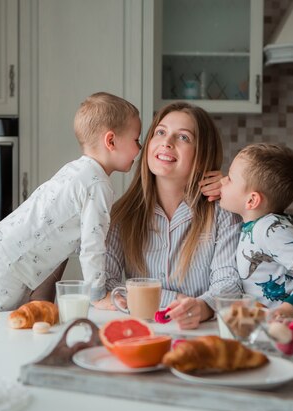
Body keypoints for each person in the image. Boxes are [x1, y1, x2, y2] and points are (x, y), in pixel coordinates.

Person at [0, 92, 142, 314]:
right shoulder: (97, 185)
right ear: (110, 141)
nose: (139, 149)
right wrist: (97, 295)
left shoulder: (77, 169)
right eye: (136, 140)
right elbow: (92, 246)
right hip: (11, 262)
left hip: (5, 252)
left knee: (5, 324)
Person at [96, 102, 242, 330]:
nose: (167, 142)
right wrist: (173, 301)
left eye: (183, 137)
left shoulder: (223, 213)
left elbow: (228, 283)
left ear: (203, 154)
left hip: (201, 333)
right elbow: (106, 283)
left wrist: (202, 308)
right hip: (141, 331)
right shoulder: (121, 215)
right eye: (160, 132)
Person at [219, 143, 293, 318]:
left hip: (282, 334)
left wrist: (288, 310)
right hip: (260, 330)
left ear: (251, 201)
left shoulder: (270, 229)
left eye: (229, 178)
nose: (221, 181)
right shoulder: (253, 224)